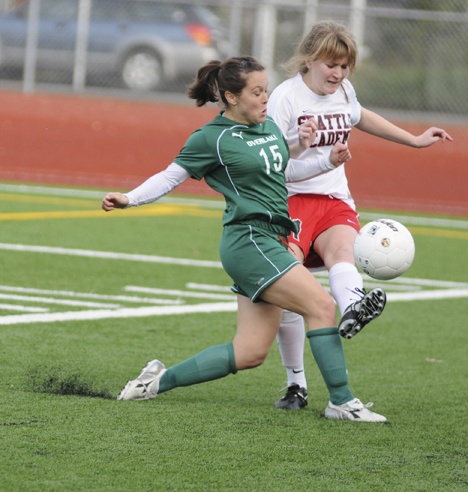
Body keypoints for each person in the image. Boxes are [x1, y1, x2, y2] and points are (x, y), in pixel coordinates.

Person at [102, 56, 388, 422]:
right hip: (250, 241)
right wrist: (129, 198)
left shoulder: (266, 126)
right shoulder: (211, 138)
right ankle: (342, 403)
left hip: (271, 240)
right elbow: (170, 176)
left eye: (265, 89)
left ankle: (156, 381)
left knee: (249, 352)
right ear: (231, 97)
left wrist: (305, 148)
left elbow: (278, 159)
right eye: (256, 91)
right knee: (320, 305)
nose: (265, 97)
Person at [267, 20, 453, 411]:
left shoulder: (344, 91)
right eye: (330, 64)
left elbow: (359, 115)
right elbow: (274, 164)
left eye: (344, 66)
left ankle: (354, 305)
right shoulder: (285, 98)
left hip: (334, 198)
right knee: (289, 295)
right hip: (290, 201)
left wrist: (415, 141)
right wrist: (319, 159)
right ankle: (295, 385)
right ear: (308, 60)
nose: (337, 73)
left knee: (341, 254)